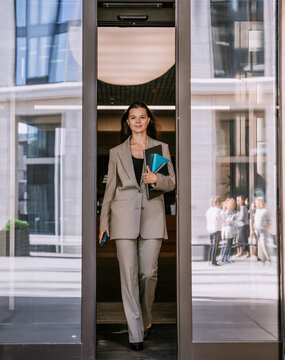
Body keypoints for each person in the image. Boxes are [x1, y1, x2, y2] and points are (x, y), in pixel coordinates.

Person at [98, 102, 176, 351]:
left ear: (149, 120)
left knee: (147, 274)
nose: (138, 121)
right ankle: (136, 334)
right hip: (122, 219)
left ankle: (146, 317)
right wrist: (104, 223)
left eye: (143, 117)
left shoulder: (159, 148)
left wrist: (157, 179)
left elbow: (172, 183)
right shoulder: (116, 152)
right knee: (128, 277)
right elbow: (109, 191)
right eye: (133, 117)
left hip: (152, 217)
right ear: (127, 122)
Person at [205, 196, 224, 266]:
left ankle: (210, 260)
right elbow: (222, 220)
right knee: (215, 246)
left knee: (212, 246)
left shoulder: (210, 210)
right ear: (218, 203)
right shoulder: (219, 211)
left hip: (210, 229)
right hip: (216, 230)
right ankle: (214, 262)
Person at [218, 198, 237, 264]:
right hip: (227, 230)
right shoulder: (226, 212)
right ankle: (222, 258)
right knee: (226, 245)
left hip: (232, 230)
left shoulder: (232, 211)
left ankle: (226, 258)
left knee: (230, 245)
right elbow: (226, 222)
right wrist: (232, 217)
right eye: (232, 204)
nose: (233, 206)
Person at [254, 197, 271, 264]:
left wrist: (266, 226)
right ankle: (263, 258)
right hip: (257, 230)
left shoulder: (265, 211)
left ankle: (268, 259)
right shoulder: (257, 210)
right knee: (260, 245)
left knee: (264, 245)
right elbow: (256, 220)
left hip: (263, 230)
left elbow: (268, 221)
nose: (255, 204)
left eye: (256, 203)